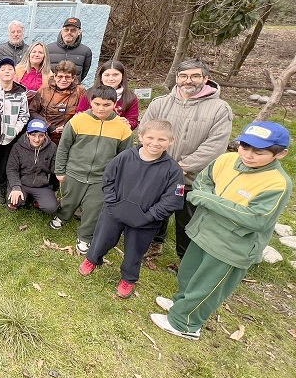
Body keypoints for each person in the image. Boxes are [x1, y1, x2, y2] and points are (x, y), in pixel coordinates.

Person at [151, 121, 292, 341]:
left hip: (232, 244)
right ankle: (181, 304)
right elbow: (203, 182)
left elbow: (257, 218)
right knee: (189, 274)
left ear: (280, 154)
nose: (249, 155)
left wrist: (208, 199)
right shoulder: (226, 160)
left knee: (208, 285)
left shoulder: (277, 183)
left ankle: (185, 323)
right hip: (204, 231)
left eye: (259, 152)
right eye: (245, 148)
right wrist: (209, 197)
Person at [141, 59, 233, 268]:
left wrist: (180, 167)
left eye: (194, 76)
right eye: (183, 76)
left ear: (205, 79)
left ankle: (185, 260)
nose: (188, 80)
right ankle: (154, 243)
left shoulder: (219, 109)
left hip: (192, 178)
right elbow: (144, 132)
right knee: (156, 211)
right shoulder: (160, 103)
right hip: (157, 172)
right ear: (177, 78)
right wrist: (158, 163)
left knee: (186, 220)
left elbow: (215, 146)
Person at [78, 119, 185, 298]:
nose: (155, 143)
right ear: (141, 137)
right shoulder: (125, 157)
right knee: (102, 239)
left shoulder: (173, 170)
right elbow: (108, 179)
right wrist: (112, 203)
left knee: (135, 250)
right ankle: (92, 260)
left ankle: (128, 278)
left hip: (145, 220)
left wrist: (150, 216)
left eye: (162, 140)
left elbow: (172, 200)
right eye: (150, 137)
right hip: (114, 212)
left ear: (171, 141)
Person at [51, 86, 133, 255]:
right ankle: (63, 216)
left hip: (101, 178)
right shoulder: (77, 121)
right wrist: (60, 170)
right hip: (74, 171)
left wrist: (117, 180)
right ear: (90, 102)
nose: (101, 108)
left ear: (115, 104)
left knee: (93, 209)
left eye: (106, 105)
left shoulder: (122, 128)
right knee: (69, 199)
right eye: (97, 104)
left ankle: (85, 236)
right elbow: (63, 147)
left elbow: (124, 157)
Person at [0, 58, 30, 204]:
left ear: (14, 72)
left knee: (4, 163)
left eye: (10, 69)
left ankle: (1, 186)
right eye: (3, 69)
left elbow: (24, 115)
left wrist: (16, 129)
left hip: (10, 136)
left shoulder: (21, 93)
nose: (6, 71)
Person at [6, 119, 59, 215]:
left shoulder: (52, 147)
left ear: (45, 135)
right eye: (33, 135)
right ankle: (21, 199)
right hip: (22, 183)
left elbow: (54, 169)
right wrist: (16, 187)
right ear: (27, 134)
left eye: (41, 136)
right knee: (15, 201)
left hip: (41, 185)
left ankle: (37, 201)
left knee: (51, 208)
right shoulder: (17, 147)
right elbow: (11, 169)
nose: (37, 139)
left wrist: (55, 186)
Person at [28, 60, 86, 146]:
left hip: (69, 135)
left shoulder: (80, 91)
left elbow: (83, 113)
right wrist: (50, 126)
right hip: (45, 133)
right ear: (54, 76)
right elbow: (32, 111)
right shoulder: (44, 89)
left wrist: (67, 127)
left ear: (73, 78)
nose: (63, 80)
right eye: (60, 76)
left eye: (67, 77)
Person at [76, 60, 139, 130]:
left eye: (115, 75)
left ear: (122, 76)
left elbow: (133, 121)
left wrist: (127, 123)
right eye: (107, 75)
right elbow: (79, 114)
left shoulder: (130, 97)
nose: (111, 79)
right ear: (101, 77)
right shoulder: (89, 94)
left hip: (116, 135)